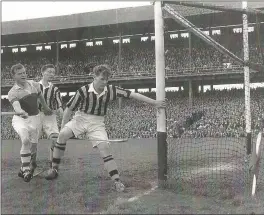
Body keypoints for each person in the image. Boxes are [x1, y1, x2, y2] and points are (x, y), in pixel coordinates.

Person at [45, 64, 167, 192]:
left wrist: (154, 103)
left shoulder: (111, 90)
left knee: (105, 148)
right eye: (102, 79)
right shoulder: (83, 90)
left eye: (106, 80)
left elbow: (133, 95)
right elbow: (69, 109)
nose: (104, 82)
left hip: (97, 122)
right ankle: (54, 169)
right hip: (80, 118)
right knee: (63, 135)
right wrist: (63, 126)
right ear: (94, 77)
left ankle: (116, 181)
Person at [7, 63, 52, 182]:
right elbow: (16, 107)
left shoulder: (34, 84)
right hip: (21, 119)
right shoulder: (13, 92)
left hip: (35, 118)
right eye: (20, 73)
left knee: (34, 147)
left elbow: (41, 97)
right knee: (25, 140)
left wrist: (46, 107)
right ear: (14, 76)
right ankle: (26, 170)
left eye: (24, 72)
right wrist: (21, 111)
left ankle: (24, 168)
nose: (23, 75)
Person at [38, 64, 63, 168]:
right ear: (42, 72)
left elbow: (59, 105)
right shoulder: (34, 86)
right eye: (49, 71)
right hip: (36, 116)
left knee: (54, 139)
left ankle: (52, 161)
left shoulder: (55, 89)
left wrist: (62, 115)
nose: (51, 74)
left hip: (49, 117)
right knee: (32, 141)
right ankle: (29, 164)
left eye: (53, 72)